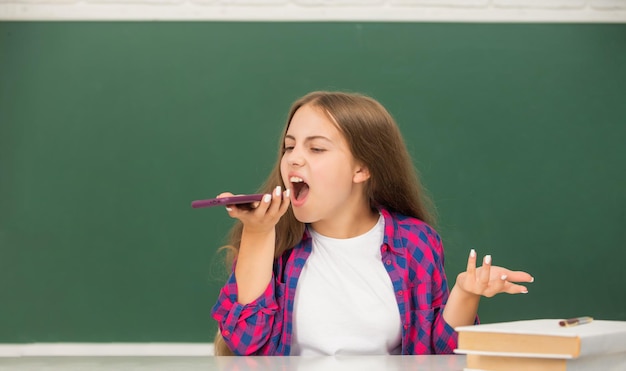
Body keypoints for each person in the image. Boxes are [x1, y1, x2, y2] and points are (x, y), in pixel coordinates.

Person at [210, 91, 533, 356]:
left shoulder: (415, 243)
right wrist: (258, 232)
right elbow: (244, 343)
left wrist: (464, 293)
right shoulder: (273, 240)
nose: (294, 158)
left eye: (317, 148)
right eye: (289, 146)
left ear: (361, 169)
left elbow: (440, 356)